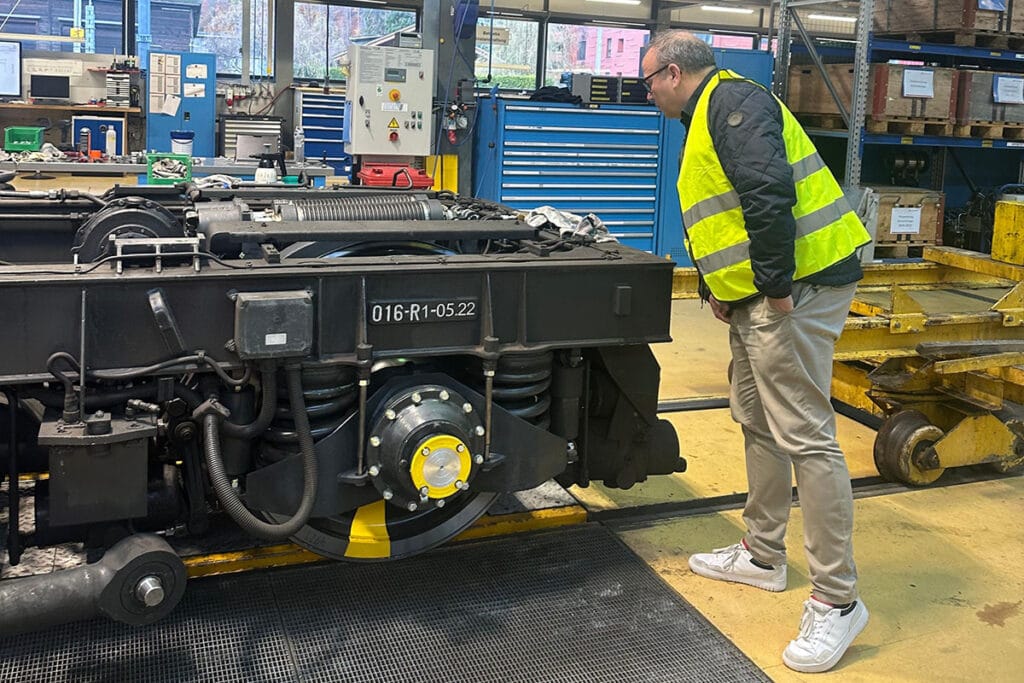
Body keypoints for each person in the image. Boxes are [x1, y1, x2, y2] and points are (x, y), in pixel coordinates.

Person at [641, 31, 872, 674]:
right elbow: (723, 213)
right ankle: (763, 554)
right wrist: (721, 288)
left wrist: (772, 288)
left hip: (797, 288)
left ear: (674, 72)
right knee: (757, 419)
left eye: (648, 81)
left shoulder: (733, 103)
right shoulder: (707, 113)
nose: (647, 93)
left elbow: (769, 193)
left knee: (806, 435)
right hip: (755, 295)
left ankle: (837, 600)